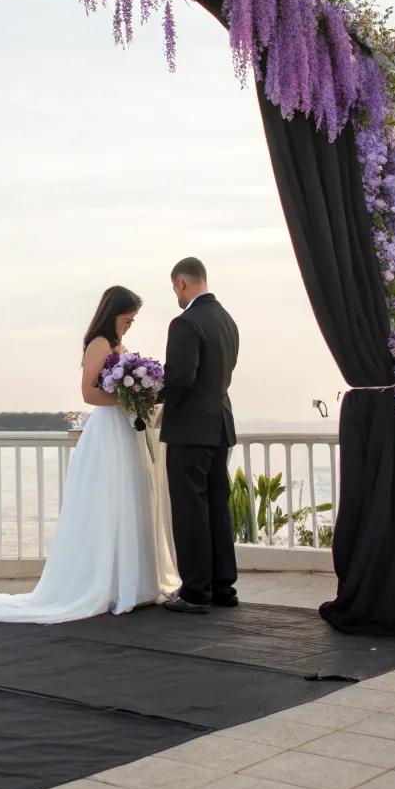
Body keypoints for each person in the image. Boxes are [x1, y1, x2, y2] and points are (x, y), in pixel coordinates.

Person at [0, 286, 179, 622]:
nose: (130, 325)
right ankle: (107, 583)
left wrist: (140, 397)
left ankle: (133, 580)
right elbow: (88, 393)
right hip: (108, 432)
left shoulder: (117, 345)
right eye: (127, 318)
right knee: (111, 501)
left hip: (126, 431)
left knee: (131, 498)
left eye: (133, 320)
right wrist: (128, 399)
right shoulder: (99, 343)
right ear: (114, 313)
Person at [160, 257, 240, 613]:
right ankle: (224, 587)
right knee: (217, 507)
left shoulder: (185, 323)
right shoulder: (227, 321)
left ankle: (194, 591)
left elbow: (179, 379)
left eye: (174, 289)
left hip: (190, 429)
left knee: (191, 510)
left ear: (181, 283)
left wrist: (151, 397)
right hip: (219, 424)